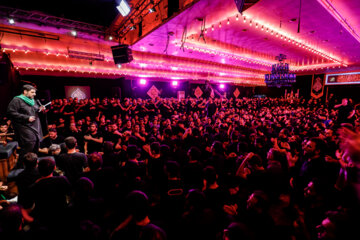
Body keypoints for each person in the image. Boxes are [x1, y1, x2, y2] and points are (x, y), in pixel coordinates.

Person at [7, 85, 45, 168]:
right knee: (29, 145)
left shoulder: (33, 100)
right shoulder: (17, 100)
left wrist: (40, 109)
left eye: (35, 92)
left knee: (36, 145)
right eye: (32, 92)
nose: (34, 94)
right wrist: (26, 118)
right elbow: (11, 112)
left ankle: (32, 165)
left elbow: (35, 110)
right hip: (24, 126)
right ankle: (20, 166)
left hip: (35, 126)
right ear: (25, 92)